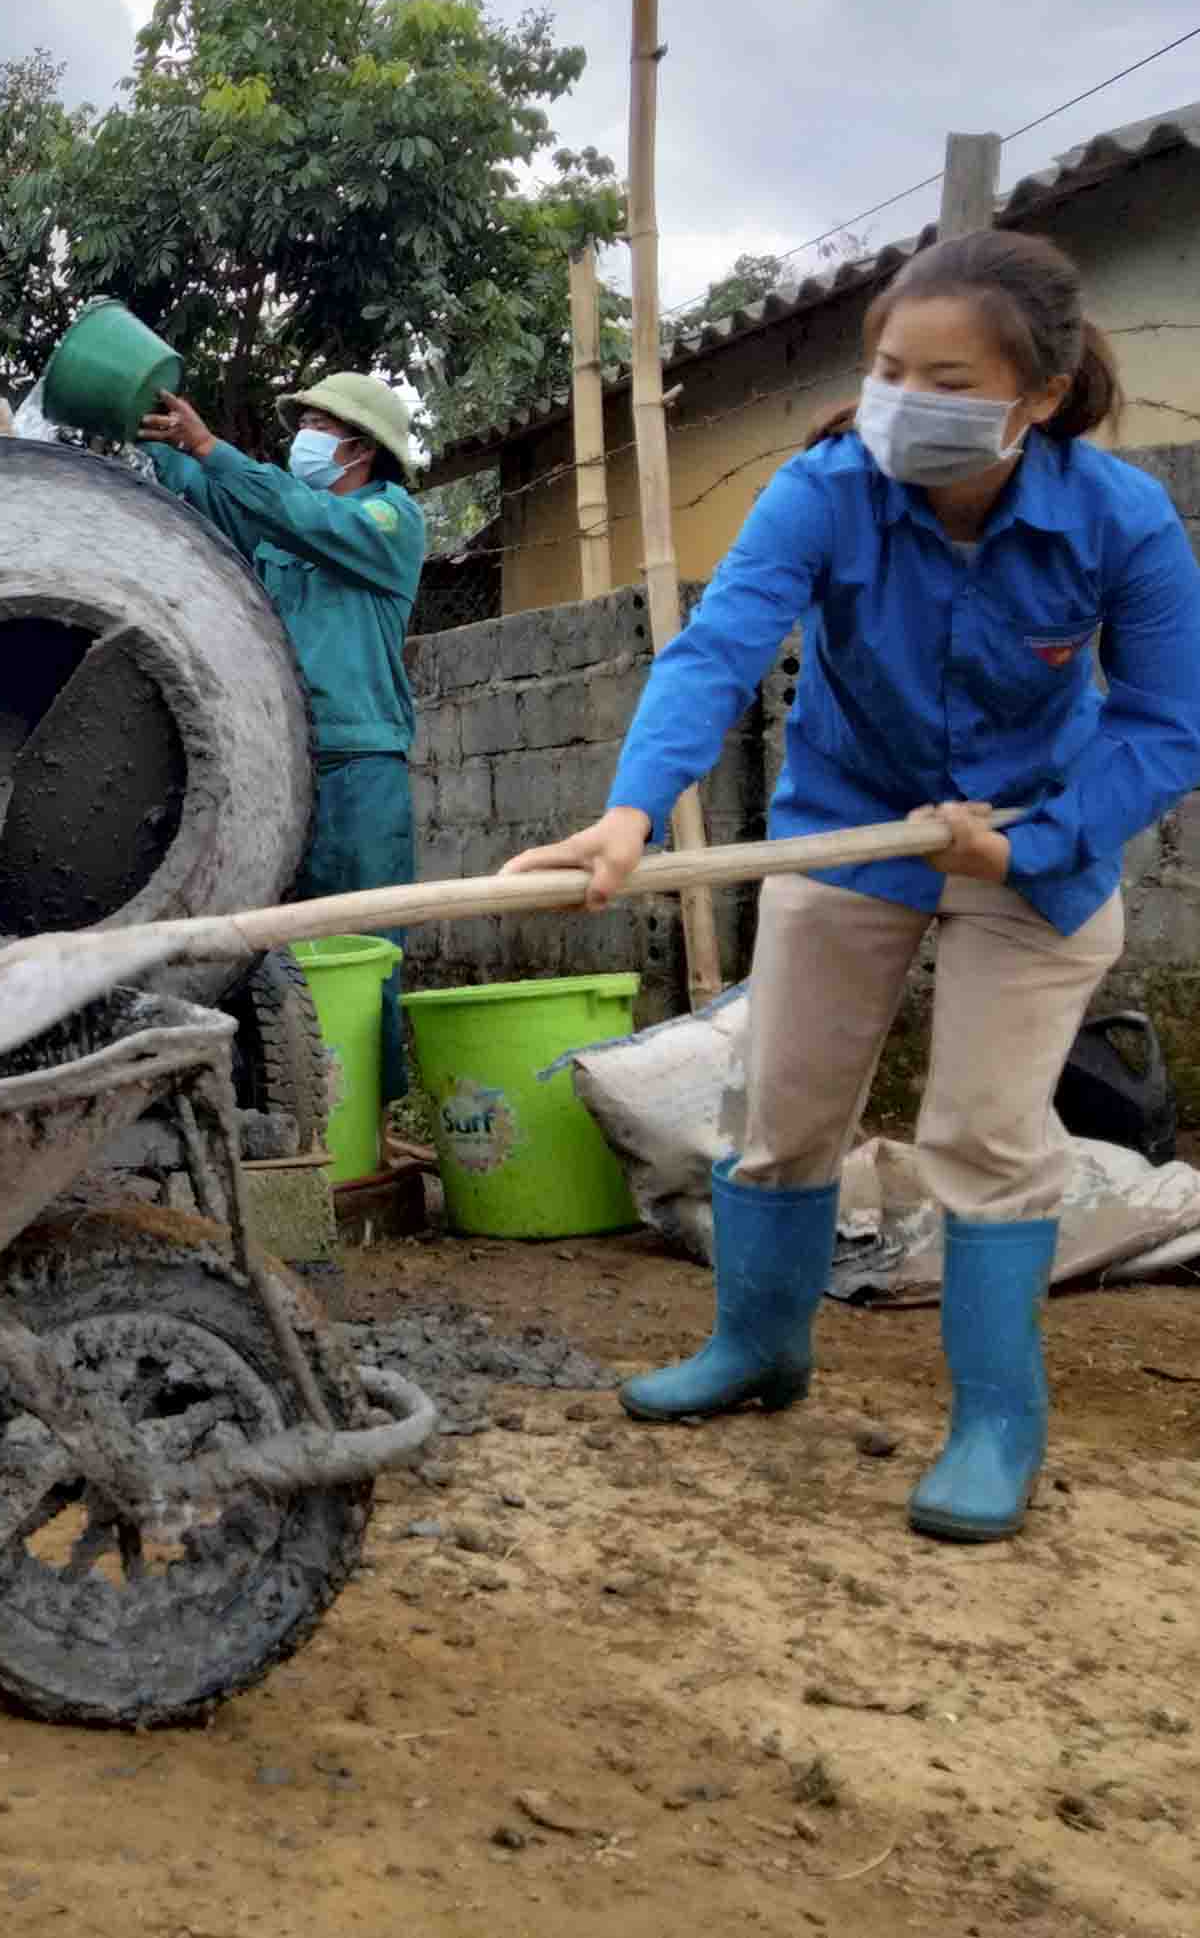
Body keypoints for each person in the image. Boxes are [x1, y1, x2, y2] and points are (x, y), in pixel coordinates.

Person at [505, 230, 1200, 1544]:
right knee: (784, 1109)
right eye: (890, 369)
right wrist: (629, 813)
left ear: (1038, 397)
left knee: (984, 1134)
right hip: (845, 825)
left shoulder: (1120, 520)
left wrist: (1033, 843)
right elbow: (716, 651)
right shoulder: (824, 490)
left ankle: (997, 1419)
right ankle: (759, 1348)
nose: (903, 403)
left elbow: (1167, 723)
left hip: (1029, 839)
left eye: (947, 380)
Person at [140, 371, 428, 1122]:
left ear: (361, 448)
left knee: (366, 949)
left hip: (363, 765)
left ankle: (366, 1123)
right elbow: (223, 515)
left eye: (315, 425)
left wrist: (214, 447)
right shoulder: (284, 533)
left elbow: (295, 513)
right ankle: (302, 1112)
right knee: (282, 951)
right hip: (286, 764)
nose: (302, 435)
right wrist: (176, 453)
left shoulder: (389, 522)